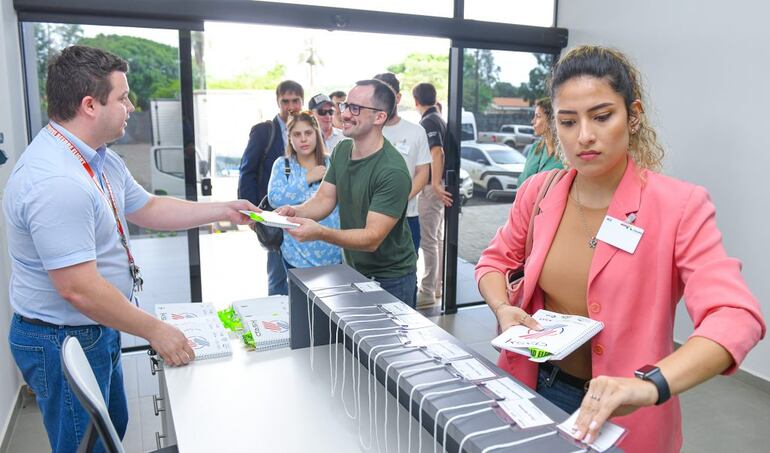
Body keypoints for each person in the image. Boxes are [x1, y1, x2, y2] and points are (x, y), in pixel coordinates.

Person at [475, 45, 765, 453]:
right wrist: (503, 307)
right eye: (568, 122)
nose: (584, 136)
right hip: (536, 387)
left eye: (601, 116)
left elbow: (735, 317)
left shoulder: (679, 206)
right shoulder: (539, 193)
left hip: (628, 409)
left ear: (633, 115)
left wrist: (650, 385)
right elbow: (494, 261)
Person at [3, 45, 258, 453]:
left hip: (95, 324)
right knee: (85, 446)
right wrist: (155, 330)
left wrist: (224, 209)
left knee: (112, 425)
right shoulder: (57, 181)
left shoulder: (98, 159)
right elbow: (78, 289)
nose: (132, 106)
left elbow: (149, 208)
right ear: (90, 104)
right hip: (61, 335)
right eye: (123, 97)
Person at [276, 80, 418, 307]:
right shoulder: (342, 150)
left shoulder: (392, 171)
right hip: (353, 270)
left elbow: (372, 238)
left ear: (379, 117)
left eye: (355, 109)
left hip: (391, 279)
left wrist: (320, 232)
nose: (345, 115)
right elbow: (324, 199)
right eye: (345, 106)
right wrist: (294, 211)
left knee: (383, 342)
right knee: (350, 341)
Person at [238, 80, 304, 296]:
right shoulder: (264, 132)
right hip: (272, 215)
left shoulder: (308, 130)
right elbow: (247, 171)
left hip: (305, 212)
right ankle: (277, 322)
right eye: (285, 101)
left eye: (295, 100)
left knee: (304, 275)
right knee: (277, 276)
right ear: (278, 102)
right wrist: (252, 214)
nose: (291, 106)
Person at [267, 111, 341, 271]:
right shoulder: (282, 165)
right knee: (298, 296)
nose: (303, 139)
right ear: (290, 138)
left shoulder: (332, 162)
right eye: (297, 134)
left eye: (308, 133)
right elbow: (275, 199)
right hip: (296, 253)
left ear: (317, 133)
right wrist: (308, 178)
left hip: (333, 251)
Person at [373, 73, 431, 257]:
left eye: (388, 95)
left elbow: (423, 172)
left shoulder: (416, 131)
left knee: (405, 275)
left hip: (407, 217)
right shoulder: (367, 130)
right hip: (370, 217)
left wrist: (399, 198)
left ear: (398, 97)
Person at [412, 82, 452, 308]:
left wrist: (435, 184)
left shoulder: (429, 121)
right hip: (435, 186)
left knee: (428, 240)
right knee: (436, 239)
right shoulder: (438, 118)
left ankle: (427, 292)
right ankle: (436, 287)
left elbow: (437, 152)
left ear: (416, 101)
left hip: (431, 188)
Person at [517, 97, 563, 185]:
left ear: (551, 119)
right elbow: (521, 182)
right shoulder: (535, 148)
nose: (532, 121)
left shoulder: (566, 152)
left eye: (538, 116)